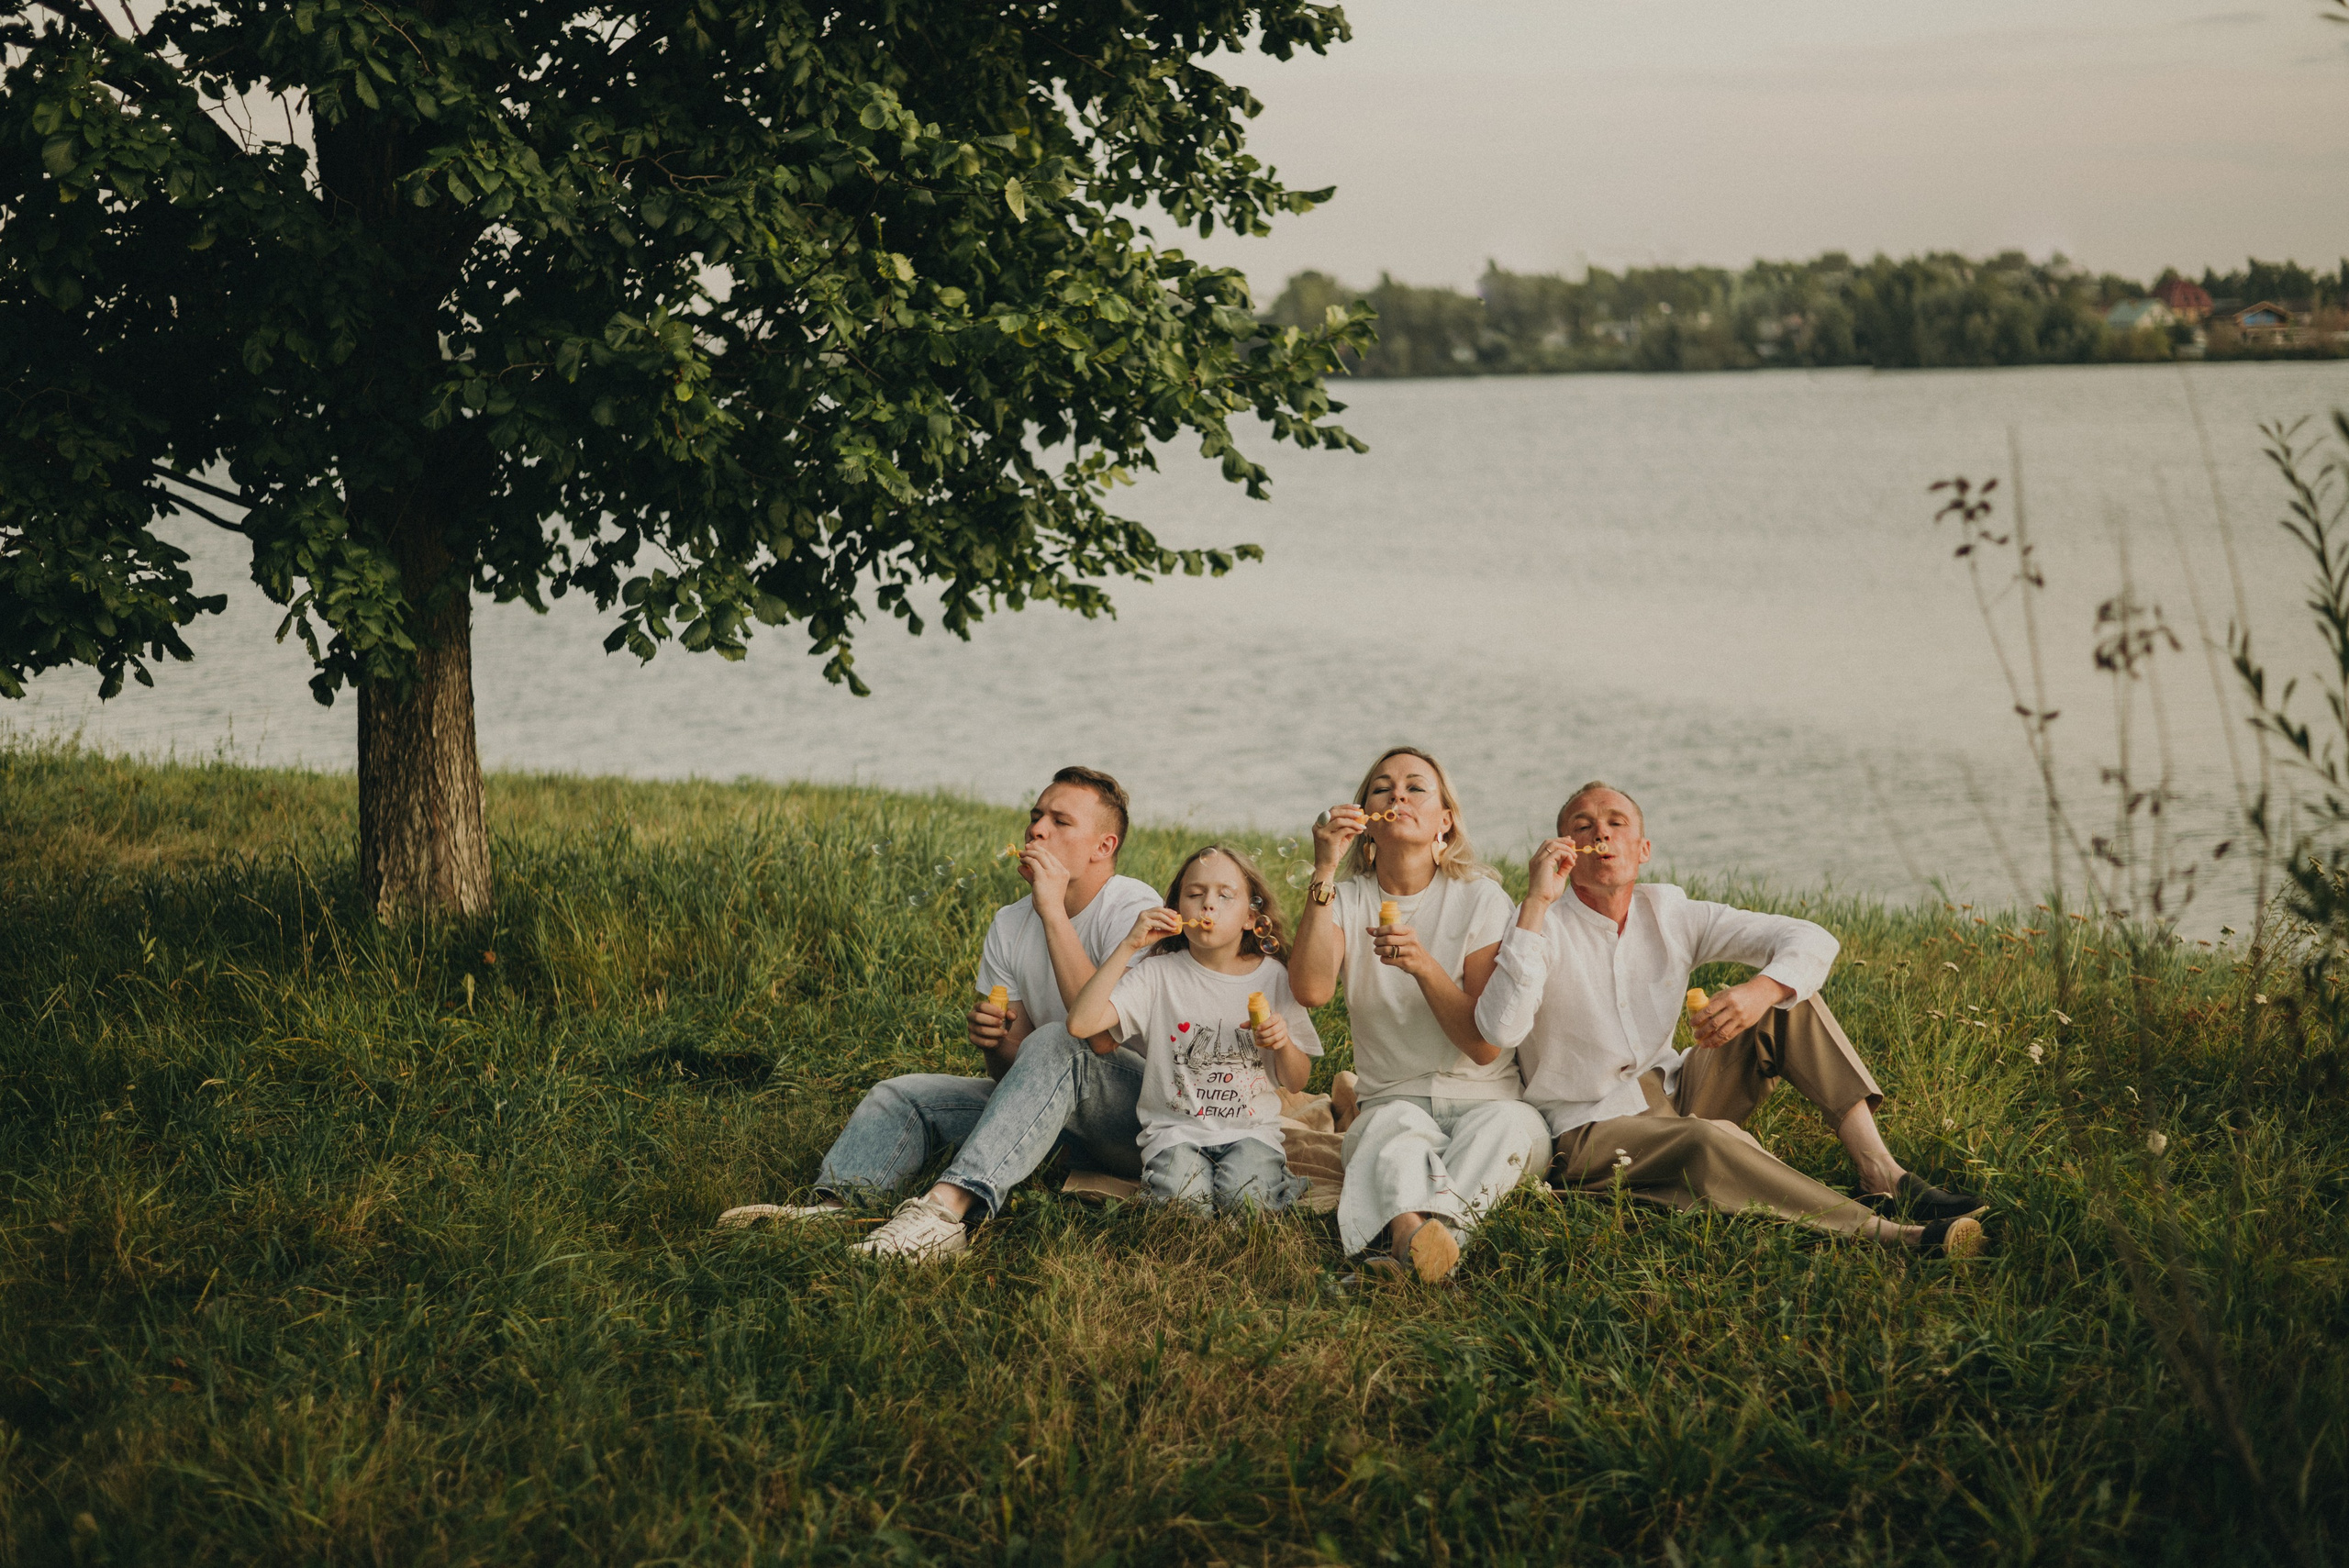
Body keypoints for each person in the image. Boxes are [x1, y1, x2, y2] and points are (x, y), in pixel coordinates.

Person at [1474, 781, 1988, 1257]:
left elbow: (1811, 938)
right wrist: (1537, 903)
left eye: (1616, 822)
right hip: (1587, 1132)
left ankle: (1880, 1172)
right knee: (1706, 1137)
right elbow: (1500, 1028)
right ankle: (1894, 1236)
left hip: (1675, 1093)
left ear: (1643, 850)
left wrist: (1761, 990)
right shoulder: (1537, 927)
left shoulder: (1671, 911)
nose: (1600, 832)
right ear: (1564, 852)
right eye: (1582, 826)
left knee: (1790, 1000)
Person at [716, 766, 1163, 1259]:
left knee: (1060, 1039)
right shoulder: (1010, 922)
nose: (1036, 830)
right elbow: (1013, 1081)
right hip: (1058, 1123)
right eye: (1036, 816)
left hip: (1141, 1124)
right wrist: (995, 1042)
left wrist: (1053, 911)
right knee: (904, 1096)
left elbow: (1099, 1040)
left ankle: (942, 1216)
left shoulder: (1132, 907)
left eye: (1060, 821)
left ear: (1103, 846)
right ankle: (836, 1210)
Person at [1289, 746, 1553, 1283]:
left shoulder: (1480, 898)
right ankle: (1423, 1247)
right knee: (1388, 1128)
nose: (1397, 795)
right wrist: (1324, 867)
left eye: (1415, 787)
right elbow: (1311, 989)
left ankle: (1412, 1244)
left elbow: (1484, 1046)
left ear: (1446, 821)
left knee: (1512, 1128)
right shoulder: (1345, 898)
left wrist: (1425, 968)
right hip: (1393, 1099)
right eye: (1382, 789)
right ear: (1366, 822)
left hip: (1486, 1099)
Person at [1065, 846, 1322, 1215]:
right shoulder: (1158, 974)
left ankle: (1279, 1184)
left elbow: (1297, 1081)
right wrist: (1128, 946)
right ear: (1177, 910)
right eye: (1195, 894)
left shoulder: (1274, 977)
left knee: (1246, 1205)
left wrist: (1282, 1045)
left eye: (1224, 895)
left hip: (1251, 1132)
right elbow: (1081, 1023)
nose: (1208, 905)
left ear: (1252, 917)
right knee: (1184, 1211)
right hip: (1175, 1133)